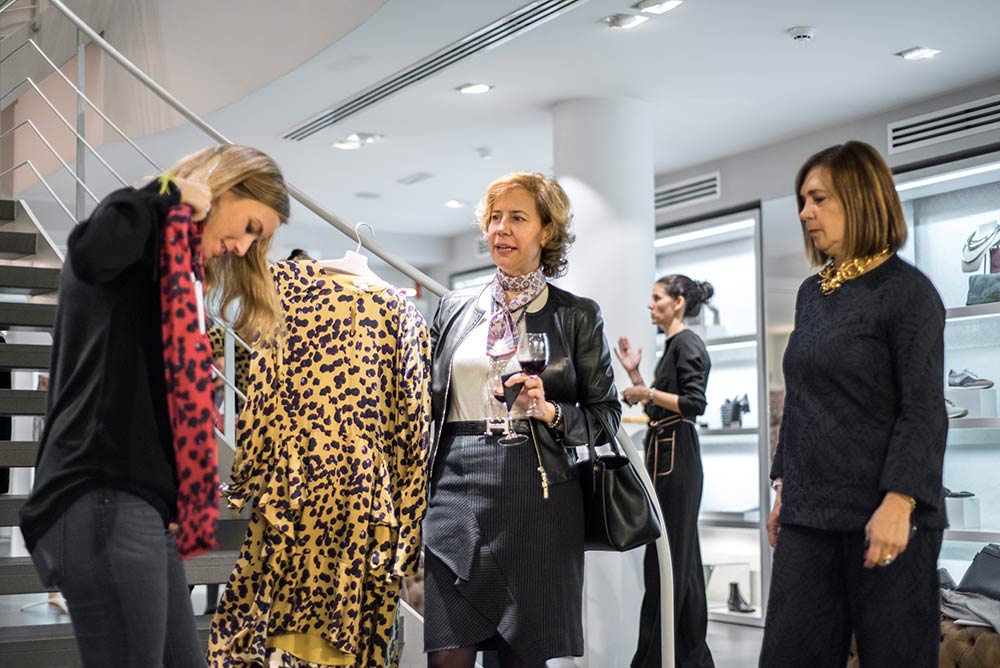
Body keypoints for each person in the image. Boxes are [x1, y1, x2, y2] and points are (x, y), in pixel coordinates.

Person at [19, 144, 290, 668]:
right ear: (223, 188)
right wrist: (166, 193)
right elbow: (89, 253)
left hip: (137, 505)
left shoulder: (174, 270)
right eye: (250, 227)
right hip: (101, 489)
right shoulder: (138, 223)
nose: (242, 247)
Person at [759, 140, 946, 668]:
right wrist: (784, 486)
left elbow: (923, 409)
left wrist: (900, 502)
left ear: (862, 199)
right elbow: (801, 399)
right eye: (802, 200)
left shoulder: (909, 293)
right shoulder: (811, 294)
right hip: (808, 515)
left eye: (818, 199)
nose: (805, 213)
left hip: (885, 514)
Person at [423, 172, 621, 668]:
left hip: (537, 496)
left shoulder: (576, 315)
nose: (501, 229)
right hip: (453, 492)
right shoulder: (454, 308)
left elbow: (605, 416)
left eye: (517, 218)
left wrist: (550, 411)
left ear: (547, 230)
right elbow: (426, 400)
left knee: (521, 657)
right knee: (446, 656)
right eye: (494, 218)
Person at [616, 276, 716, 668]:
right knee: (676, 560)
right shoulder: (675, 346)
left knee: (669, 560)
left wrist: (645, 392)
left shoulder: (687, 344)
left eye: (656, 298)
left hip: (678, 459)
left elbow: (694, 402)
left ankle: (661, 657)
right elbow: (660, 408)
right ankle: (685, 656)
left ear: (678, 302)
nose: (650, 304)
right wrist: (636, 376)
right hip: (668, 456)